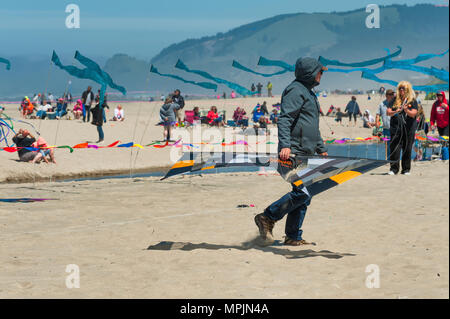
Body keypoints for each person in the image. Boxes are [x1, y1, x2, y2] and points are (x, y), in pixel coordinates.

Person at [254, 57, 328, 246]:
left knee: (305, 192)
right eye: (320, 71)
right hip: (294, 150)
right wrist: (285, 145)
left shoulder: (309, 93)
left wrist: (321, 149)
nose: (322, 74)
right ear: (310, 72)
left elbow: (312, 125)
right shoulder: (295, 90)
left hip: (307, 150)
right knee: (303, 192)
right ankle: (268, 216)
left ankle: (293, 236)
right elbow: (285, 119)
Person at [386, 81, 418, 175]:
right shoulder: (394, 100)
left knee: (407, 149)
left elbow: (413, 114)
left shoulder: (412, 101)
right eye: (400, 88)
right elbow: (388, 112)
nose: (401, 90)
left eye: (403, 88)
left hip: (408, 129)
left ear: (407, 89)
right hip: (396, 129)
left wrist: (406, 110)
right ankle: (393, 169)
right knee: (395, 148)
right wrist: (397, 111)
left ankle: (406, 170)